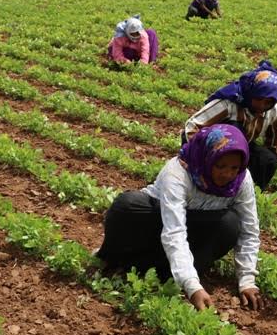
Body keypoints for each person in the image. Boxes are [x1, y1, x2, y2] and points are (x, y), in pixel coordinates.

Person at [96, 124, 262, 312]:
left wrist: (247, 280)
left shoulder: (241, 179)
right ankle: (119, 259)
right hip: (156, 222)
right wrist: (192, 287)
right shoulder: (178, 173)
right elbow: (174, 230)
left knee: (231, 224)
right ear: (206, 157)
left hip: (195, 229)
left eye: (234, 167)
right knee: (127, 205)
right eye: (220, 165)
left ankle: (165, 272)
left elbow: (249, 229)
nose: (228, 174)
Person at [183, 60, 277, 190]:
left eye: (268, 102)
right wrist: (196, 157)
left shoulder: (273, 111)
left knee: (267, 159)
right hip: (212, 145)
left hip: (240, 147)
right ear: (250, 93)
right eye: (258, 99)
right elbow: (192, 126)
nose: (262, 106)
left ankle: (248, 191)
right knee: (235, 130)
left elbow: (275, 144)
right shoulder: (229, 103)